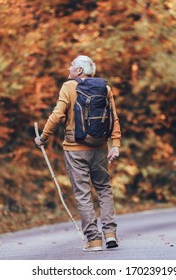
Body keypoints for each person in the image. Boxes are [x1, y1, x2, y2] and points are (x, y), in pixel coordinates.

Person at [34, 55, 121, 252]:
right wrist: (115, 144)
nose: (68, 69)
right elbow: (113, 117)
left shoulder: (69, 87)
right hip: (99, 148)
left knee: (83, 194)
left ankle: (94, 239)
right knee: (104, 189)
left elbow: (57, 115)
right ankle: (110, 234)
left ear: (79, 71)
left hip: (75, 149)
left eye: (71, 65)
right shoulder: (105, 88)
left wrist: (43, 137)